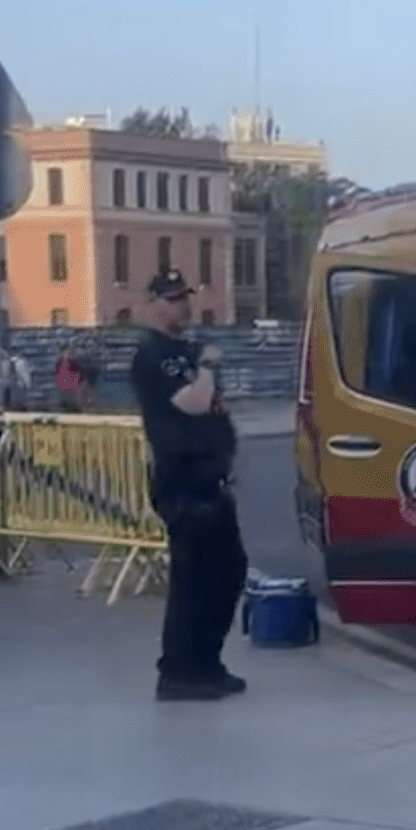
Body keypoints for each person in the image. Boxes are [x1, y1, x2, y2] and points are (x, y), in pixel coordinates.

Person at [130, 266, 247, 700]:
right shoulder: (152, 353)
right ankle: (181, 670)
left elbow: (214, 404)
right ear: (154, 304)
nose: (183, 305)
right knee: (195, 580)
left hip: (210, 480)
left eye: (185, 296)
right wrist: (209, 367)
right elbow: (194, 402)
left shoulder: (186, 350)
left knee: (226, 572)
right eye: (173, 298)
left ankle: (205, 662)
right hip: (183, 482)